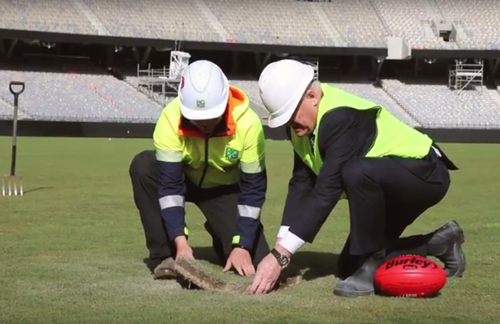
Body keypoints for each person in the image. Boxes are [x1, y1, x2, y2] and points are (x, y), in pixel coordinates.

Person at [249, 59, 466, 297]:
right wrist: (280, 248)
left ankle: (373, 262)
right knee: (349, 267)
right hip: (384, 185)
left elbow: (327, 190)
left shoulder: (340, 117)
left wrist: (281, 255)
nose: (289, 124)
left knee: (355, 170)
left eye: (290, 114)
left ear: (312, 96)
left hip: (424, 175)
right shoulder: (300, 128)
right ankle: (438, 243)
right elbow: (302, 184)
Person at [129, 60, 270, 280]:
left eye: (211, 116)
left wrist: (242, 244)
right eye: (197, 117)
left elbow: (253, 189)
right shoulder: (170, 117)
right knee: (144, 165)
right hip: (182, 179)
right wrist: (180, 242)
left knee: (256, 259)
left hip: (223, 189)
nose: (204, 123)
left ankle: (220, 231)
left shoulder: (249, 123)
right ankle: (163, 255)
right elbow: (170, 187)